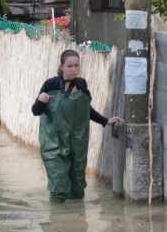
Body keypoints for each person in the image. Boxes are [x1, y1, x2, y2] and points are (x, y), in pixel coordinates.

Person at [31, 49, 122, 202]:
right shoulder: (50, 84)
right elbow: (36, 111)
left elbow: (86, 110)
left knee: (78, 185)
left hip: (78, 141)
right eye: (70, 66)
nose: (74, 69)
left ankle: (78, 218)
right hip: (55, 143)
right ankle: (58, 220)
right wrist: (40, 100)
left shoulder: (81, 84)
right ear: (61, 66)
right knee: (59, 185)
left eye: (76, 66)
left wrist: (105, 121)